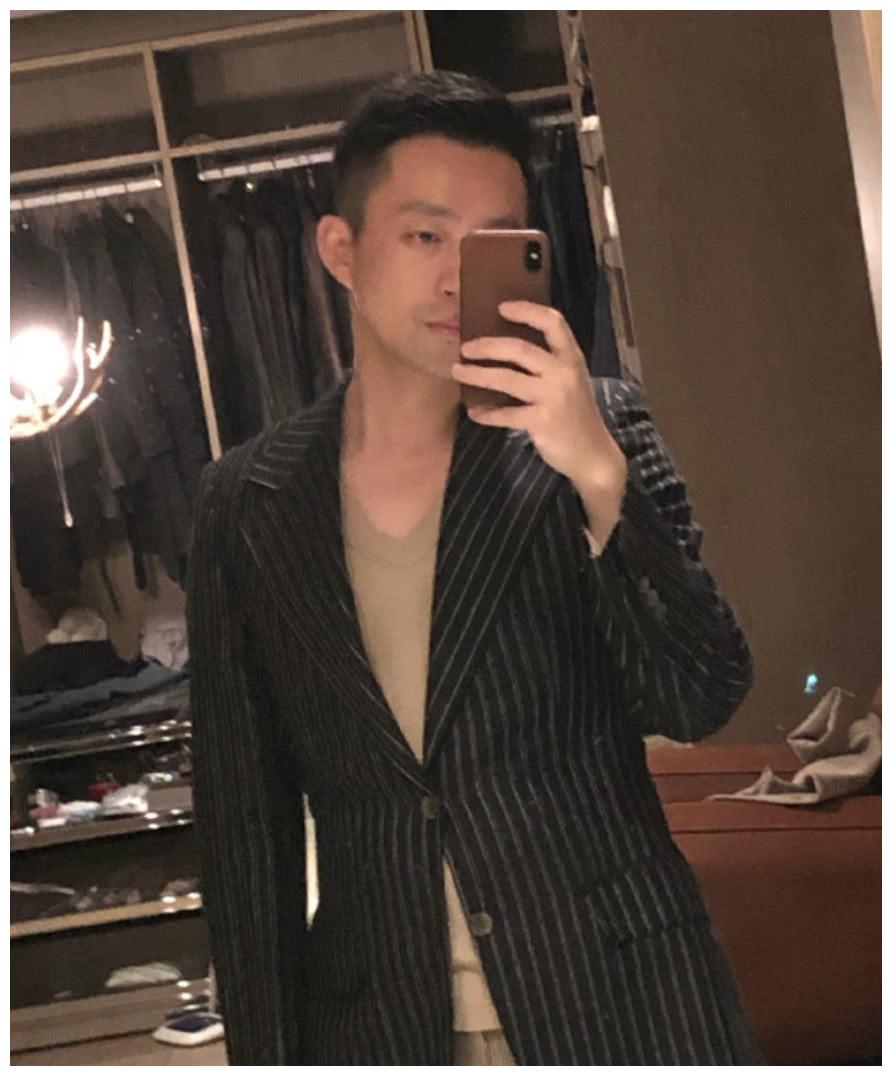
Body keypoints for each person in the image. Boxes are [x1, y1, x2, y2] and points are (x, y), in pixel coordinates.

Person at [186, 70, 764, 1066]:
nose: (460, 278)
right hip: (382, 1025)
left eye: (494, 240)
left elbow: (699, 694)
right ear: (340, 250)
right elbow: (246, 830)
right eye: (425, 236)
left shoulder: (597, 430)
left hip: (622, 1005)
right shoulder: (247, 501)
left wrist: (598, 480)